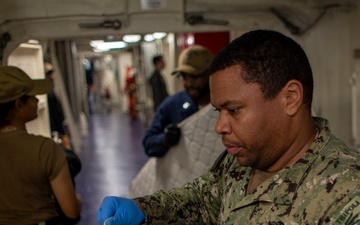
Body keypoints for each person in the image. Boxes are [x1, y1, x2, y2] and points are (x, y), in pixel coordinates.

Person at [97, 30, 360, 224]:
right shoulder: (245, 157)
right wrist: (144, 210)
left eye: (233, 110)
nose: (220, 126)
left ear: (290, 98)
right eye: (218, 111)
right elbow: (202, 200)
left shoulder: (347, 198)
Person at [0, 66, 82, 224]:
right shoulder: (44, 149)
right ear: (19, 105)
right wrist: (78, 201)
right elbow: (71, 211)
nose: (37, 100)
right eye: (32, 97)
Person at [142, 45, 213, 157]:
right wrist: (164, 139)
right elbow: (148, 143)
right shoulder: (172, 105)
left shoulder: (224, 104)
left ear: (210, 74)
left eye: (195, 77)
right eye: (184, 77)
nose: (189, 83)